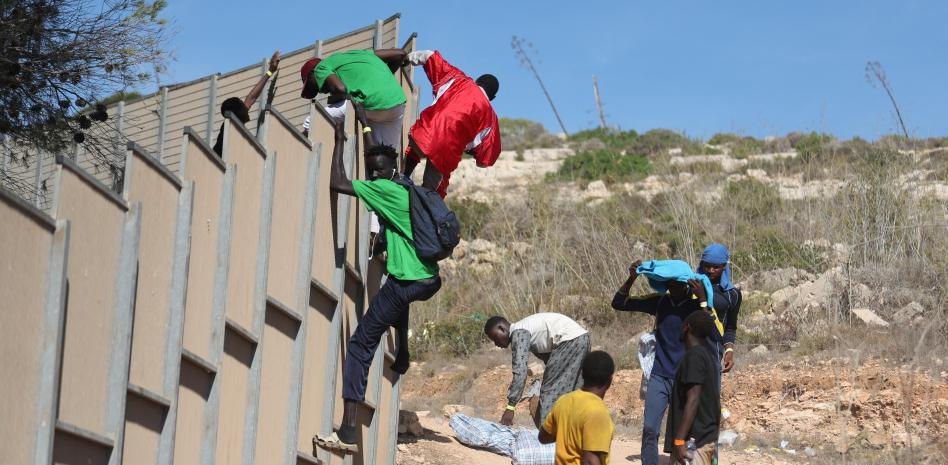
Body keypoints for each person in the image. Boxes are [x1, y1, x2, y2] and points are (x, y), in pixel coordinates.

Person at [314, 101, 441, 453]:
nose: (371, 175)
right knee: (393, 294)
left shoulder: (382, 189)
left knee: (359, 344)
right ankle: (402, 349)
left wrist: (340, 139)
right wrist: (366, 124)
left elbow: (339, 182)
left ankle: (348, 432)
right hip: (426, 277)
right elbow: (378, 157)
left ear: (385, 171)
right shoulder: (401, 184)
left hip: (407, 281)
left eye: (374, 171)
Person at [611, 259, 711, 465]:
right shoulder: (660, 302)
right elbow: (619, 303)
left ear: (685, 284)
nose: (671, 287)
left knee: (681, 433)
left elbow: (710, 330)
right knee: (649, 429)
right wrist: (632, 278)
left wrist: (703, 300)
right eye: (668, 283)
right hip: (659, 374)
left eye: (675, 282)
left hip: (686, 378)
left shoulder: (695, 306)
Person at [403, 49, 501, 197]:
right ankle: (425, 206)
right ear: (492, 97)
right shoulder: (491, 119)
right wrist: (470, 150)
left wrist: (406, 58)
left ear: (476, 81)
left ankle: (403, 177)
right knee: (435, 192)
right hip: (446, 153)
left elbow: (429, 55)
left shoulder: (458, 79)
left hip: (425, 134)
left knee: (417, 145)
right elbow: (485, 160)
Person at [484, 312, 590, 427]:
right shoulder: (527, 330)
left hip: (569, 342)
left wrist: (510, 407)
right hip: (582, 339)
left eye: (495, 337)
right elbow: (550, 360)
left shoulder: (519, 333)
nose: (496, 343)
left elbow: (520, 372)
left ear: (502, 328)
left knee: (549, 393)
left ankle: (549, 439)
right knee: (574, 393)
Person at [299, 48, 408, 149]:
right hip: (397, 103)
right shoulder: (359, 54)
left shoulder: (321, 67)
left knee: (312, 119)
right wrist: (382, 79)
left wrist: (336, 96)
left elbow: (341, 89)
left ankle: (302, 144)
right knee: (387, 153)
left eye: (310, 85)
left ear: (312, 74)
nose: (319, 90)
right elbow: (400, 54)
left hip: (371, 103)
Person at [538, 351, 616, 465]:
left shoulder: (563, 401)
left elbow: (543, 437)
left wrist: (568, 437)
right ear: (609, 381)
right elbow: (590, 460)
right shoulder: (598, 412)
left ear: (582, 375)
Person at [666, 311, 721, 465]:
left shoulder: (695, 357)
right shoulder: (707, 356)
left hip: (694, 442)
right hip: (702, 439)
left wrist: (679, 440)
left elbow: (694, 398)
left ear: (687, 327)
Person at [213, 50, 280, 156]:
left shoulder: (233, 124)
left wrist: (270, 72)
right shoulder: (229, 129)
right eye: (242, 105)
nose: (246, 105)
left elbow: (251, 98)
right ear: (237, 113)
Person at [696, 243, 742, 374]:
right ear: (702, 264)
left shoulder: (732, 294)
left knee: (710, 393)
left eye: (716, 267)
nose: (710, 270)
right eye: (707, 266)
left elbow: (730, 327)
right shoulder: (692, 287)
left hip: (713, 351)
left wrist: (729, 351)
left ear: (724, 267)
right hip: (687, 351)